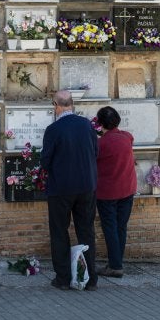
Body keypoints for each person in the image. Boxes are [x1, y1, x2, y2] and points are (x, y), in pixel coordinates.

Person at [40, 89, 99, 291]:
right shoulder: (87, 125)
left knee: (59, 231)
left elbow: (45, 161)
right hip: (86, 186)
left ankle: (63, 278)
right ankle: (91, 279)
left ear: (56, 105)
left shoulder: (53, 129)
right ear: (72, 104)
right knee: (86, 231)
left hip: (61, 188)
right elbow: (95, 152)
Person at [95, 105, 137, 278]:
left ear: (100, 123)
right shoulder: (127, 137)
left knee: (110, 227)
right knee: (121, 226)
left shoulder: (100, 143)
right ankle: (116, 263)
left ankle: (115, 266)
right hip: (127, 189)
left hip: (107, 192)